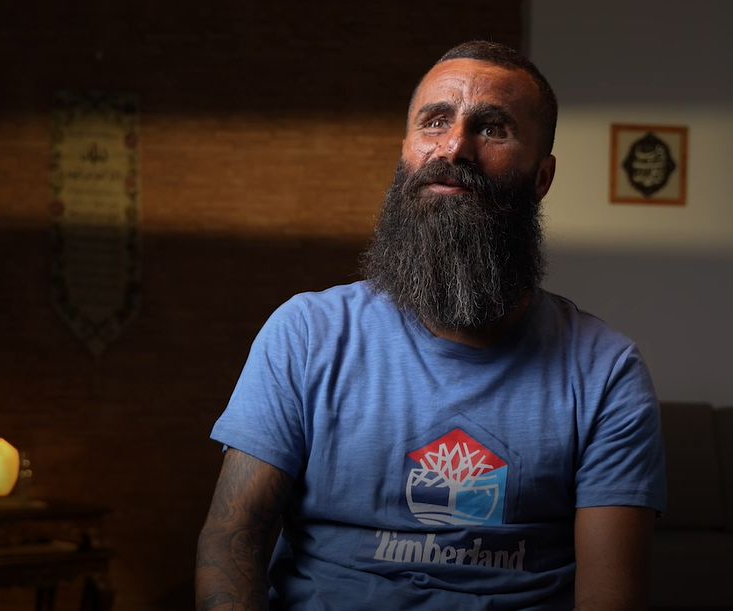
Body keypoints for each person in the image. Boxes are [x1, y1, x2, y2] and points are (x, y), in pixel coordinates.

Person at [196, 40, 666, 611]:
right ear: (406, 153)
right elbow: (231, 541)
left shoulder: (606, 372)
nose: (455, 146)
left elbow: (609, 598)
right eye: (435, 121)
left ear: (541, 177)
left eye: (493, 129)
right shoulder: (306, 334)